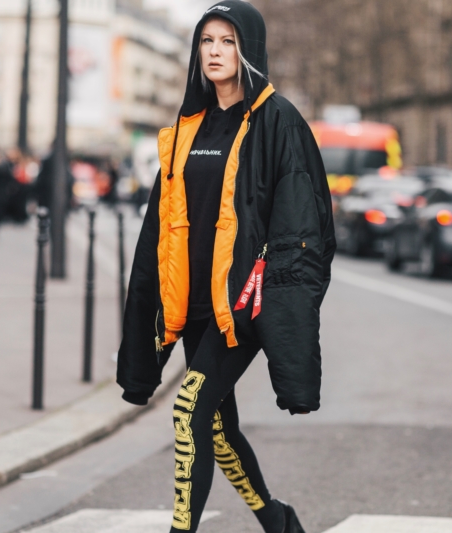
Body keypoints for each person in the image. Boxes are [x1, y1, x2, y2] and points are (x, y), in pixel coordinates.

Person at [116, 2, 336, 532]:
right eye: (207, 41)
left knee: (188, 407)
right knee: (216, 426)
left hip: (240, 304)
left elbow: (303, 223)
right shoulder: (189, 125)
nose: (215, 52)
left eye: (227, 42)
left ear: (249, 50)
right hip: (192, 301)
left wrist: (280, 301)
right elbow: (161, 223)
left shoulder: (276, 119)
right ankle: (277, 520)